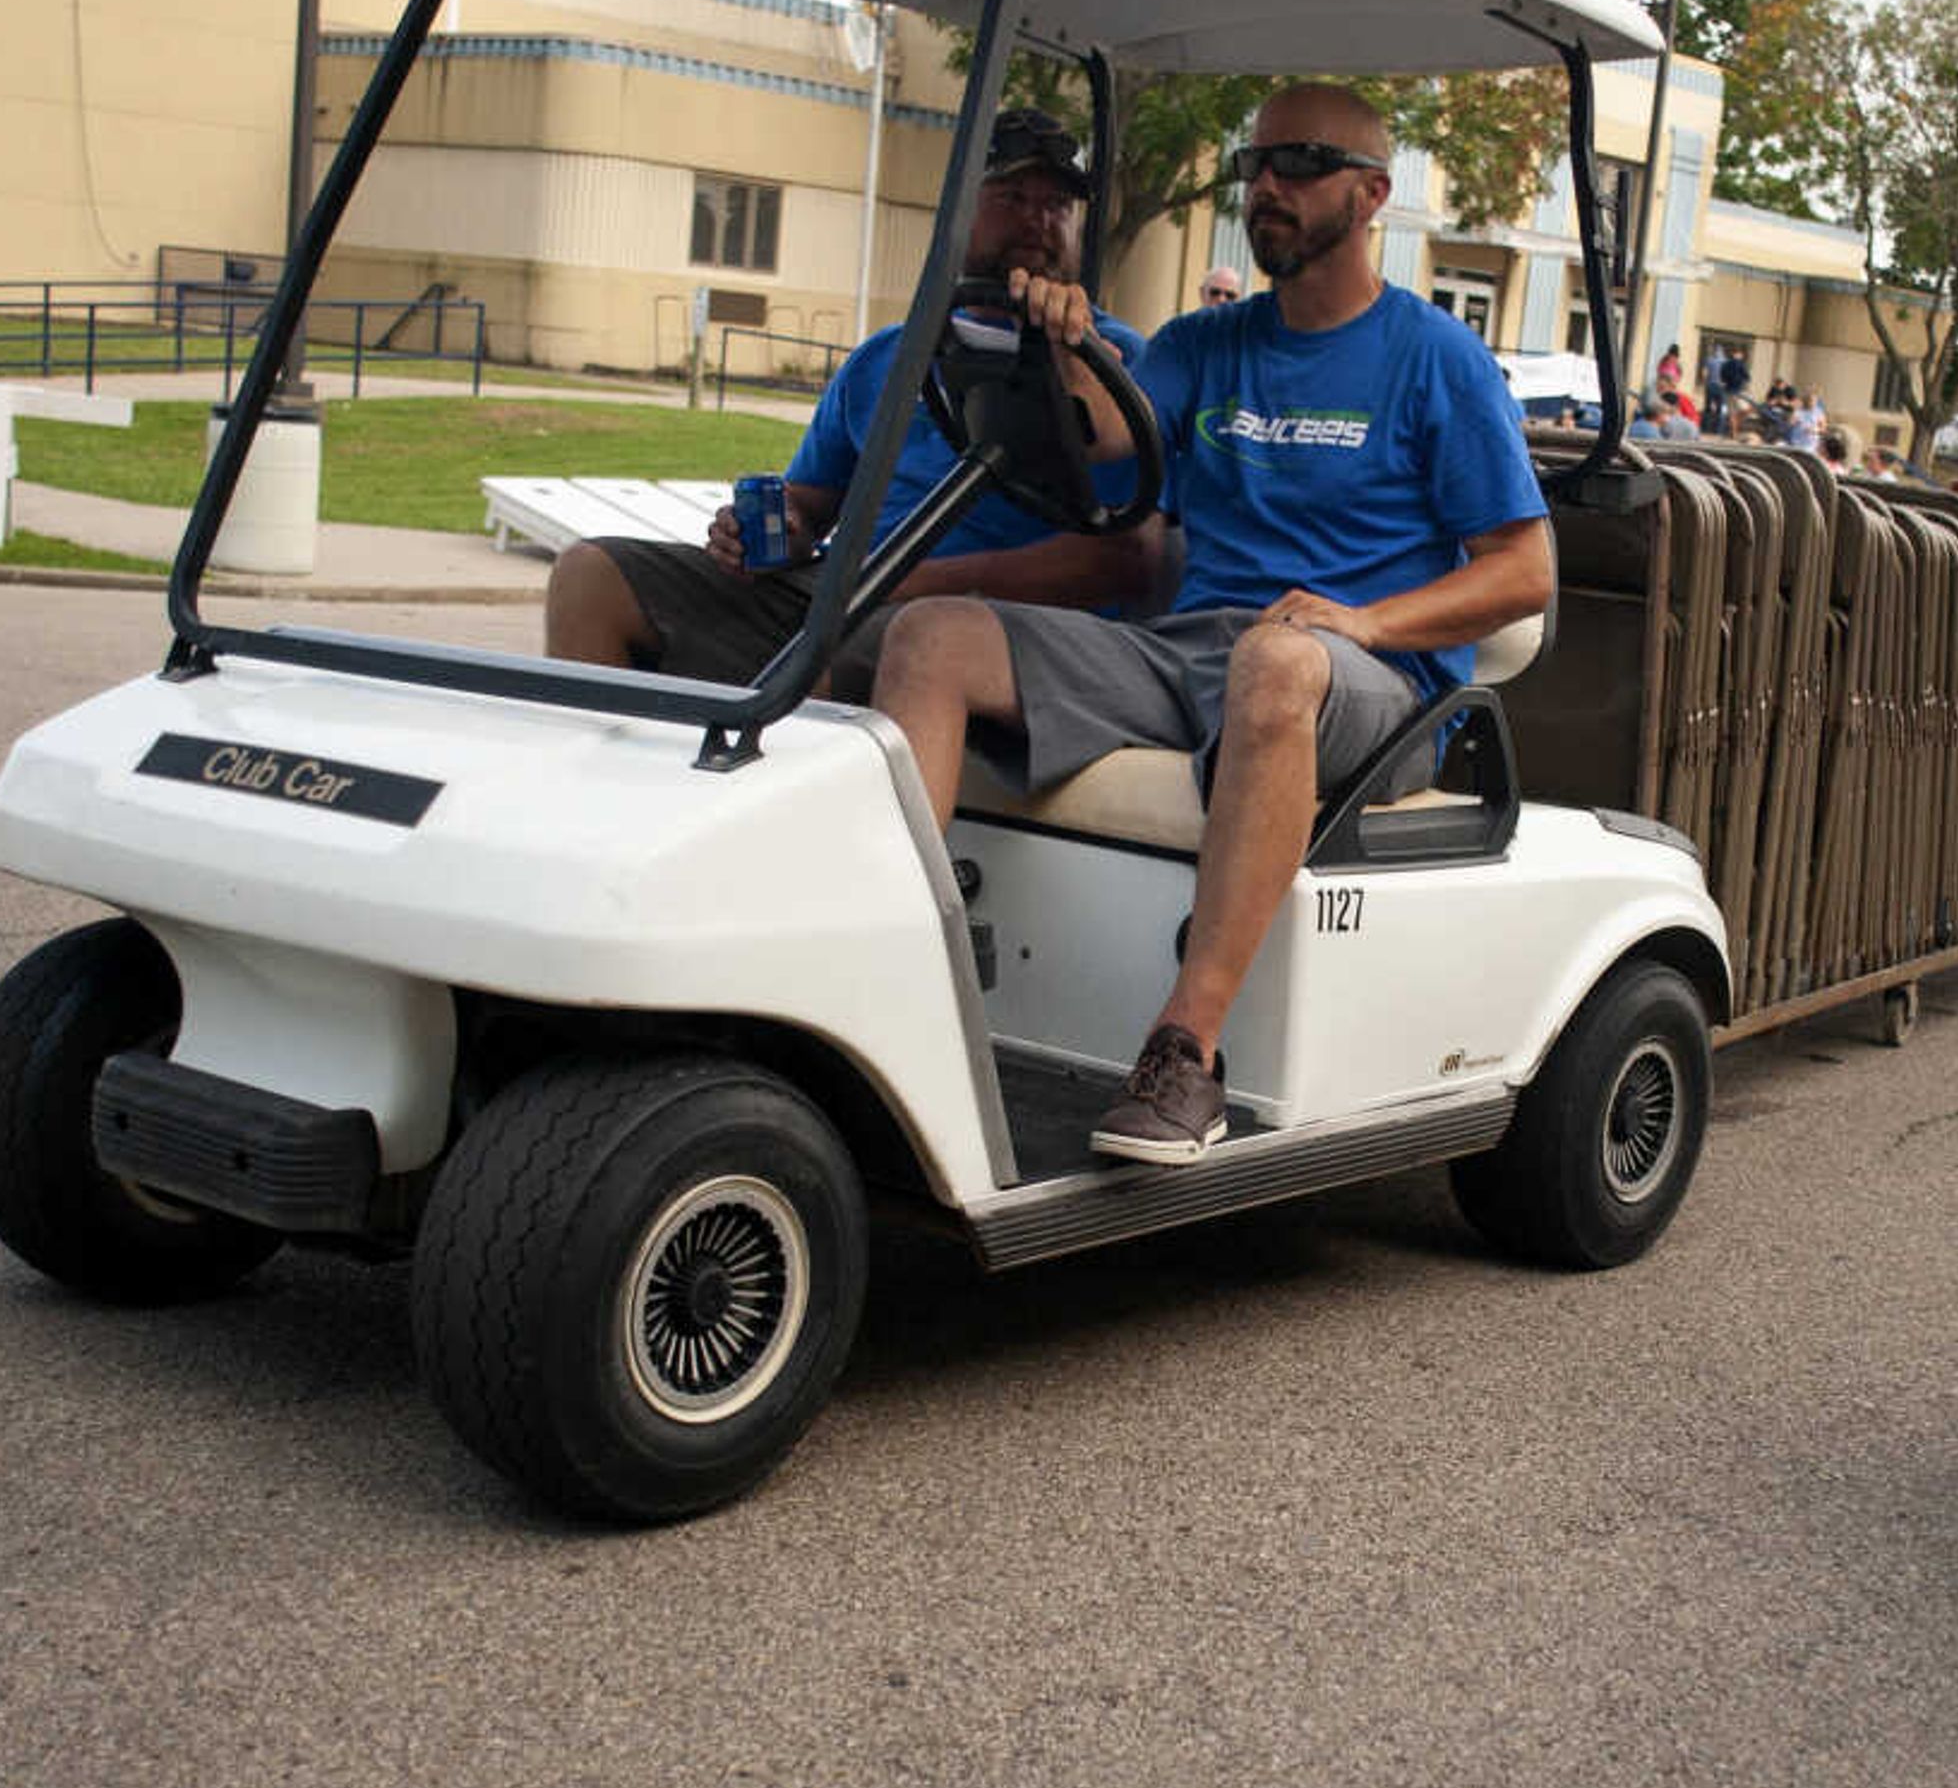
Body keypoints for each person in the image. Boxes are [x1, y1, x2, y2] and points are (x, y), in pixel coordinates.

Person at [867, 83, 1553, 1164]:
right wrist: (1063, 334)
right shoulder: (1206, 341)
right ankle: (884, 983)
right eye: (1256, 166)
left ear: (1371, 194)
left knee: (1277, 663)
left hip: (1366, 680)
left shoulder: (1437, 360)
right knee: (932, 634)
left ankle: (1188, 1052)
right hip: (1200, 646)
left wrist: (1367, 624)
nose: (1267, 185)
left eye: (1302, 163)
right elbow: (1101, 438)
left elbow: (1523, 573)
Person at [542, 109, 1152, 684]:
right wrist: (770, 530)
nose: (1038, 223)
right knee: (590, 576)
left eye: (1057, 206)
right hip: (852, 591)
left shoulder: (1114, 363)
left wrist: (910, 580)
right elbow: (811, 504)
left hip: (988, 630)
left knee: (839, 655)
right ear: (958, 210)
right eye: (1013, 199)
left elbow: (1125, 561)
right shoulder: (889, 356)